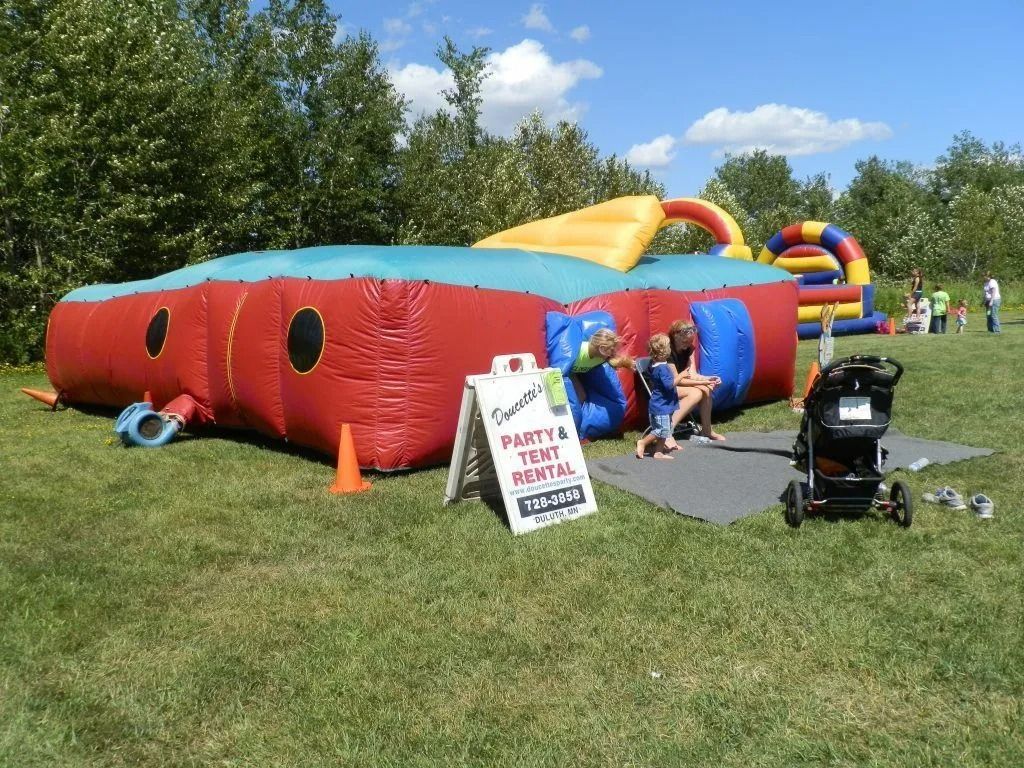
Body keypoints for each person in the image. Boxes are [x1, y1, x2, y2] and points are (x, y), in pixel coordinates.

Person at [667, 320, 725, 441]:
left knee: (706, 389)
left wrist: (709, 379)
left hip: (679, 382)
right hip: (667, 385)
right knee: (696, 392)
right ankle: (666, 431)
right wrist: (703, 382)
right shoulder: (667, 351)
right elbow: (677, 380)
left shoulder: (689, 349)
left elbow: (692, 374)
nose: (687, 344)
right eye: (685, 341)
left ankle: (707, 430)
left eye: (690, 341)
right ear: (675, 336)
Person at [636, 334, 682, 460]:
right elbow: (669, 385)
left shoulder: (658, 364)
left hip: (663, 405)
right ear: (664, 350)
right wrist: (681, 376)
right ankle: (643, 442)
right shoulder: (662, 368)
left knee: (665, 430)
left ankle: (658, 452)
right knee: (660, 430)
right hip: (660, 406)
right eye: (668, 347)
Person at [569, 327, 633, 402]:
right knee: (577, 397)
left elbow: (616, 360)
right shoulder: (578, 351)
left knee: (582, 397)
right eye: (611, 350)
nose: (612, 354)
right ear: (602, 349)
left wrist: (627, 363)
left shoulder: (602, 358)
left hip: (574, 374)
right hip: (568, 373)